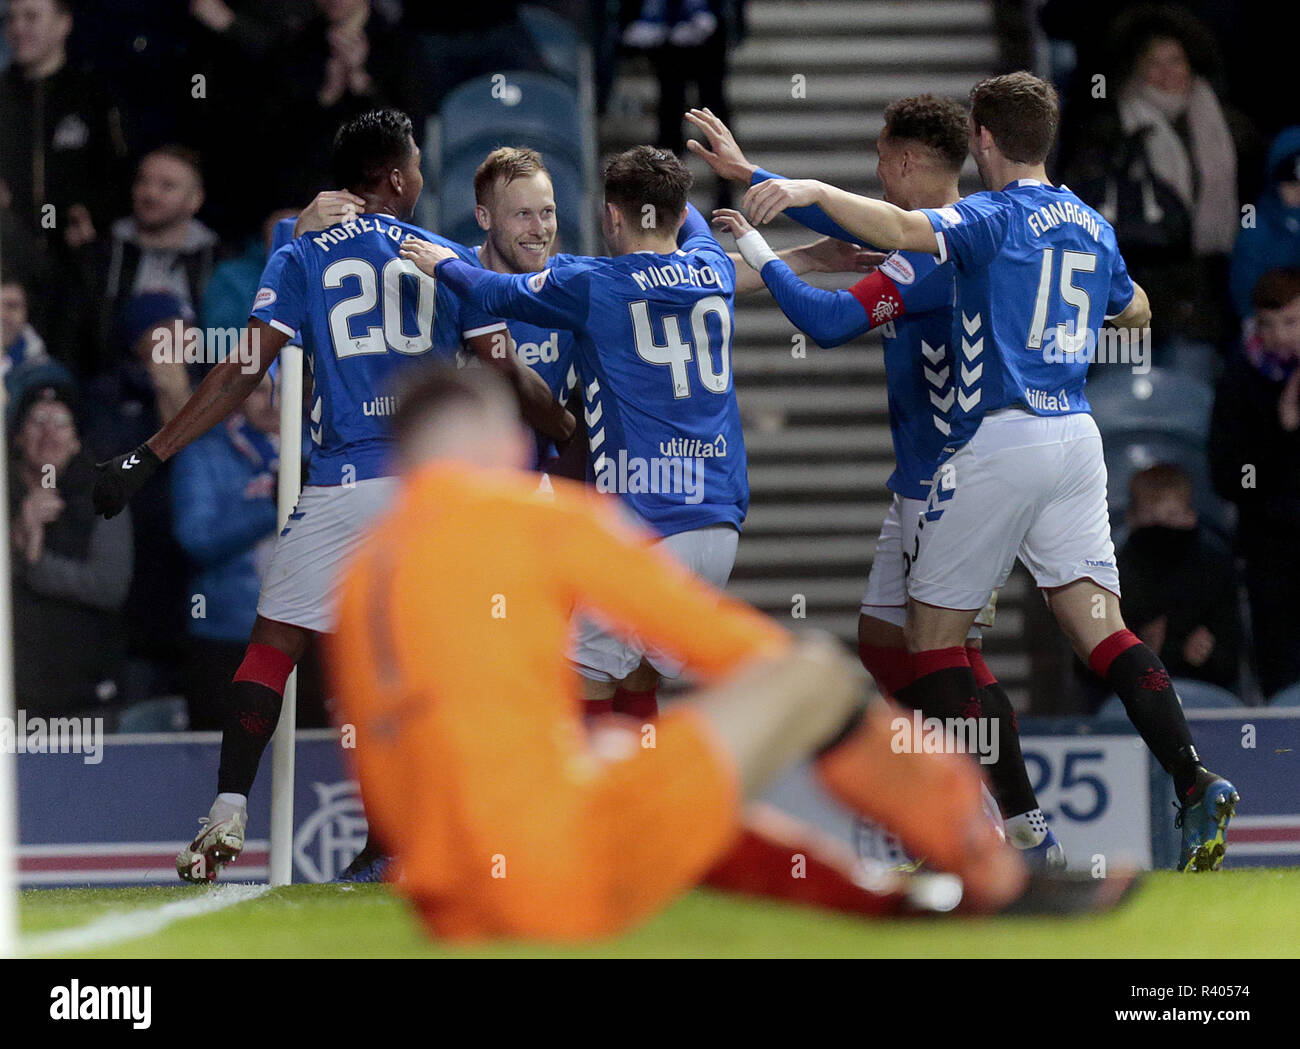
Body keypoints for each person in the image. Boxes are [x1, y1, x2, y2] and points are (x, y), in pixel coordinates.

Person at [330, 363, 1025, 941]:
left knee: (616, 752)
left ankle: (888, 903)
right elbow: (722, 644)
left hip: (453, 908)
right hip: (559, 866)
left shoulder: (360, 578)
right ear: (504, 444)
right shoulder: (531, 514)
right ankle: (983, 859)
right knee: (810, 674)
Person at [740, 71, 1238, 872]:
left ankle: (998, 833)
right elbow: (1138, 308)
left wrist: (802, 186)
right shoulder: (1090, 223)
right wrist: (1083, 314)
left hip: (1001, 437)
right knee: (1102, 630)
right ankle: (1193, 778)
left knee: (930, 644)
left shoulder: (986, 216)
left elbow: (903, 228)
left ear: (983, 140)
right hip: (1078, 437)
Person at [88, 108, 574, 884]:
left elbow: (242, 370)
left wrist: (148, 455)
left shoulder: (303, 255)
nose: (421, 176)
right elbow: (510, 376)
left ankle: (226, 811)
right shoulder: (447, 258)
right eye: (414, 164)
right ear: (392, 178)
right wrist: (565, 425)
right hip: (431, 492)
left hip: (344, 484)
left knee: (273, 646)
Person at [689, 99, 1062, 868]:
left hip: (949, 482)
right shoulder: (930, 236)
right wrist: (786, 235)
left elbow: (825, 325)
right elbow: (831, 257)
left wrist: (758, 236)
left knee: (937, 654)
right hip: (926, 475)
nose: (875, 170)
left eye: (881, 157)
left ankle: (999, 819)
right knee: (896, 646)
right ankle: (994, 812)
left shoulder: (936, 249)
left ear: (901, 162)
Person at [402, 146, 746, 725]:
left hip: (649, 523)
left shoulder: (591, 283)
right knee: (639, 677)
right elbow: (683, 217)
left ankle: (593, 815)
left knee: (576, 686)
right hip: (719, 528)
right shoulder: (711, 266)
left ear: (612, 216)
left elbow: (491, 293)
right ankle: (646, 813)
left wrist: (441, 262)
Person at [9, 382, 131, 715]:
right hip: (10, 693)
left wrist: (35, 565)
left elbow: (108, 585)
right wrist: (19, 531)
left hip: (86, 694)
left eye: (61, 423)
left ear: (76, 440)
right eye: (37, 421)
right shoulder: (5, 492)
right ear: (18, 436)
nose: (49, 433)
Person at [1210, 268, 1300, 699]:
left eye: (1292, 322)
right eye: (1269, 324)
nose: (1280, 335)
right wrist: (1282, 428)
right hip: (1272, 556)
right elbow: (1228, 477)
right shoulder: (1239, 380)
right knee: (1281, 681)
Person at [1117, 464, 1242, 692]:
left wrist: (1208, 654)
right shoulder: (1116, 573)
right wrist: (1136, 654)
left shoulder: (1214, 569)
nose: (1161, 529)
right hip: (1131, 698)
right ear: (1132, 519)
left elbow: (1232, 659)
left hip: (1206, 695)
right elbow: (1088, 668)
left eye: (1171, 516)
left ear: (1190, 517)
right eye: (1151, 517)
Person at [1230, 127, 1300, 320]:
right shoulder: (1255, 220)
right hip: (1269, 326)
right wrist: (1250, 318)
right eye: (1291, 182)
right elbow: (1244, 274)